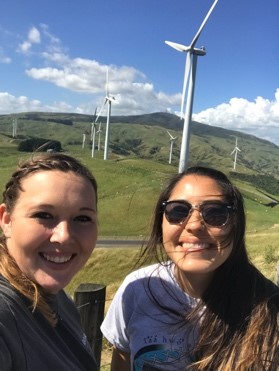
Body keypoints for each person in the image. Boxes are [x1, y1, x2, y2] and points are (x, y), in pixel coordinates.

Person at [101, 166, 279, 370]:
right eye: (177, 211)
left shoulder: (271, 310)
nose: (194, 225)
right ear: (161, 223)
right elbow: (123, 356)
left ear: (236, 225)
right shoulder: (136, 289)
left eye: (215, 213)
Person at [0, 153, 98, 370]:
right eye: (44, 215)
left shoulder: (57, 298)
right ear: (6, 220)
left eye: (82, 218)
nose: (63, 235)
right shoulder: (5, 311)